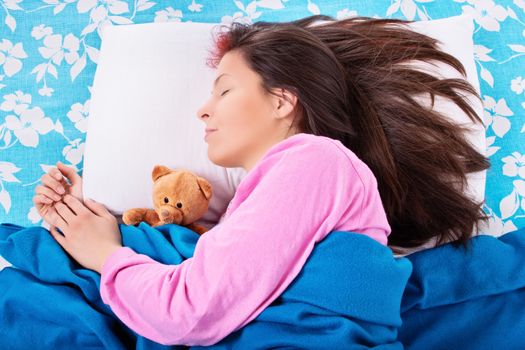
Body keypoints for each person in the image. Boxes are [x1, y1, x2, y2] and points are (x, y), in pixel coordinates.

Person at [32, 14, 490, 346]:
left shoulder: (315, 160)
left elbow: (192, 308)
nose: (203, 110)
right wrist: (75, 213)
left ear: (282, 101)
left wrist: (104, 254)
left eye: (225, 89)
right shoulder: (282, 188)